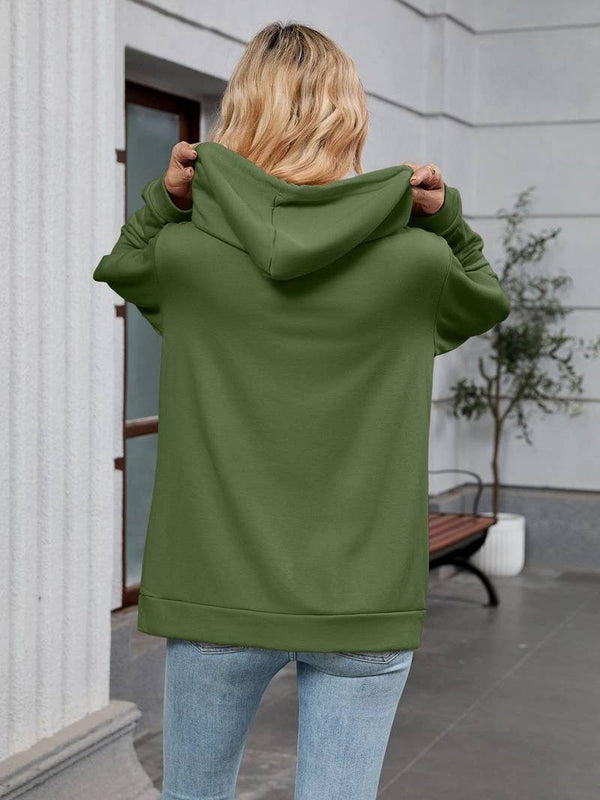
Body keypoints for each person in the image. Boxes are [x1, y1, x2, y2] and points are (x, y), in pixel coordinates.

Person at [93, 21, 511, 800]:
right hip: (363, 596)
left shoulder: (188, 258)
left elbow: (123, 263)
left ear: (242, 111)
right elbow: (486, 295)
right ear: (348, 116)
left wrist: (167, 198)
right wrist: (445, 217)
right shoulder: (417, 265)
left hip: (214, 592)